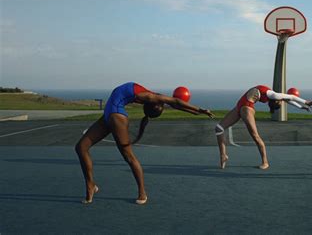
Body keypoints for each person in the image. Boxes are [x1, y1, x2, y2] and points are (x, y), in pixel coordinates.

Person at [75, 82, 214, 204]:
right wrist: (195, 111)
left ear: (154, 103)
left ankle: (142, 193)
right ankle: (91, 185)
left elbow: (175, 102)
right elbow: (174, 103)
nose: (163, 102)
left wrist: (199, 110)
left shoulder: (149, 97)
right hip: (108, 115)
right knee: (81, 147)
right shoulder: (150, 95)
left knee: (129, 156)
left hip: (116, 116)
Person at [215, 85, 312, 169]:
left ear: (276, 102)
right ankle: (223, 156)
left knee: (255, 136)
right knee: (219, 128)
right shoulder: (272, 94)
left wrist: (305, 102)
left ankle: (265, 162)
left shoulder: (273, 95)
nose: (281, 100)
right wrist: (302, 106)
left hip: (246, 108)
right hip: (239, 107)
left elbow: (289, 97)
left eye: (280, 101)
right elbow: (288, 98)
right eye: (281, 101)